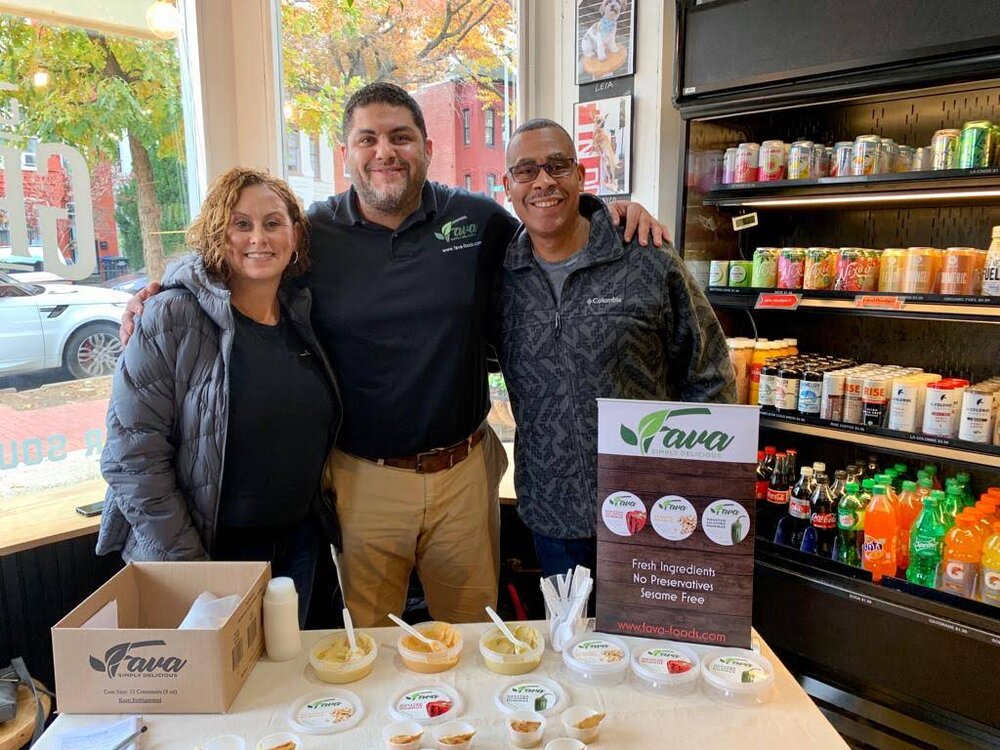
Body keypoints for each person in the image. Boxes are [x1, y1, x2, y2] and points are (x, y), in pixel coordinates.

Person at [121, 82, 667, 628]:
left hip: (463, 474)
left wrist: (608, 213)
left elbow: (548, 228)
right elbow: (236, 258)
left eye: (401, 137)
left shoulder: (477, 221)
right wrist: (162, 290)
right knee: (372, 646)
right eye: (369, 139)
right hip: (362, 482)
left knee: (477, 635)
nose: (386, 152)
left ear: (426, 146)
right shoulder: (312, 236)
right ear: (346, 153)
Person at [494, 119, 737, 578]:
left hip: (655, 509)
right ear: (508, 186)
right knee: (572, 648)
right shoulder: (500, 278)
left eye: (557, 166)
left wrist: (704, 486)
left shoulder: (645, 257)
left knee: (653, 645)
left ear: (582, 175)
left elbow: (710, 373)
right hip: (554, 516)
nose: (543, 181)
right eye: (526, 171)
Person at [97, 168, 340, 627]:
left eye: (273, 223)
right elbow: (131, 458)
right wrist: (193, 569)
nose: (258, 238)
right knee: (219, 697)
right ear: (216, 232)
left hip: (298, 550)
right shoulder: (171, 315)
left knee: (284, 688)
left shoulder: (302, 315)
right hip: (206, 555)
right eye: (241, 224)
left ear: (294, 233)